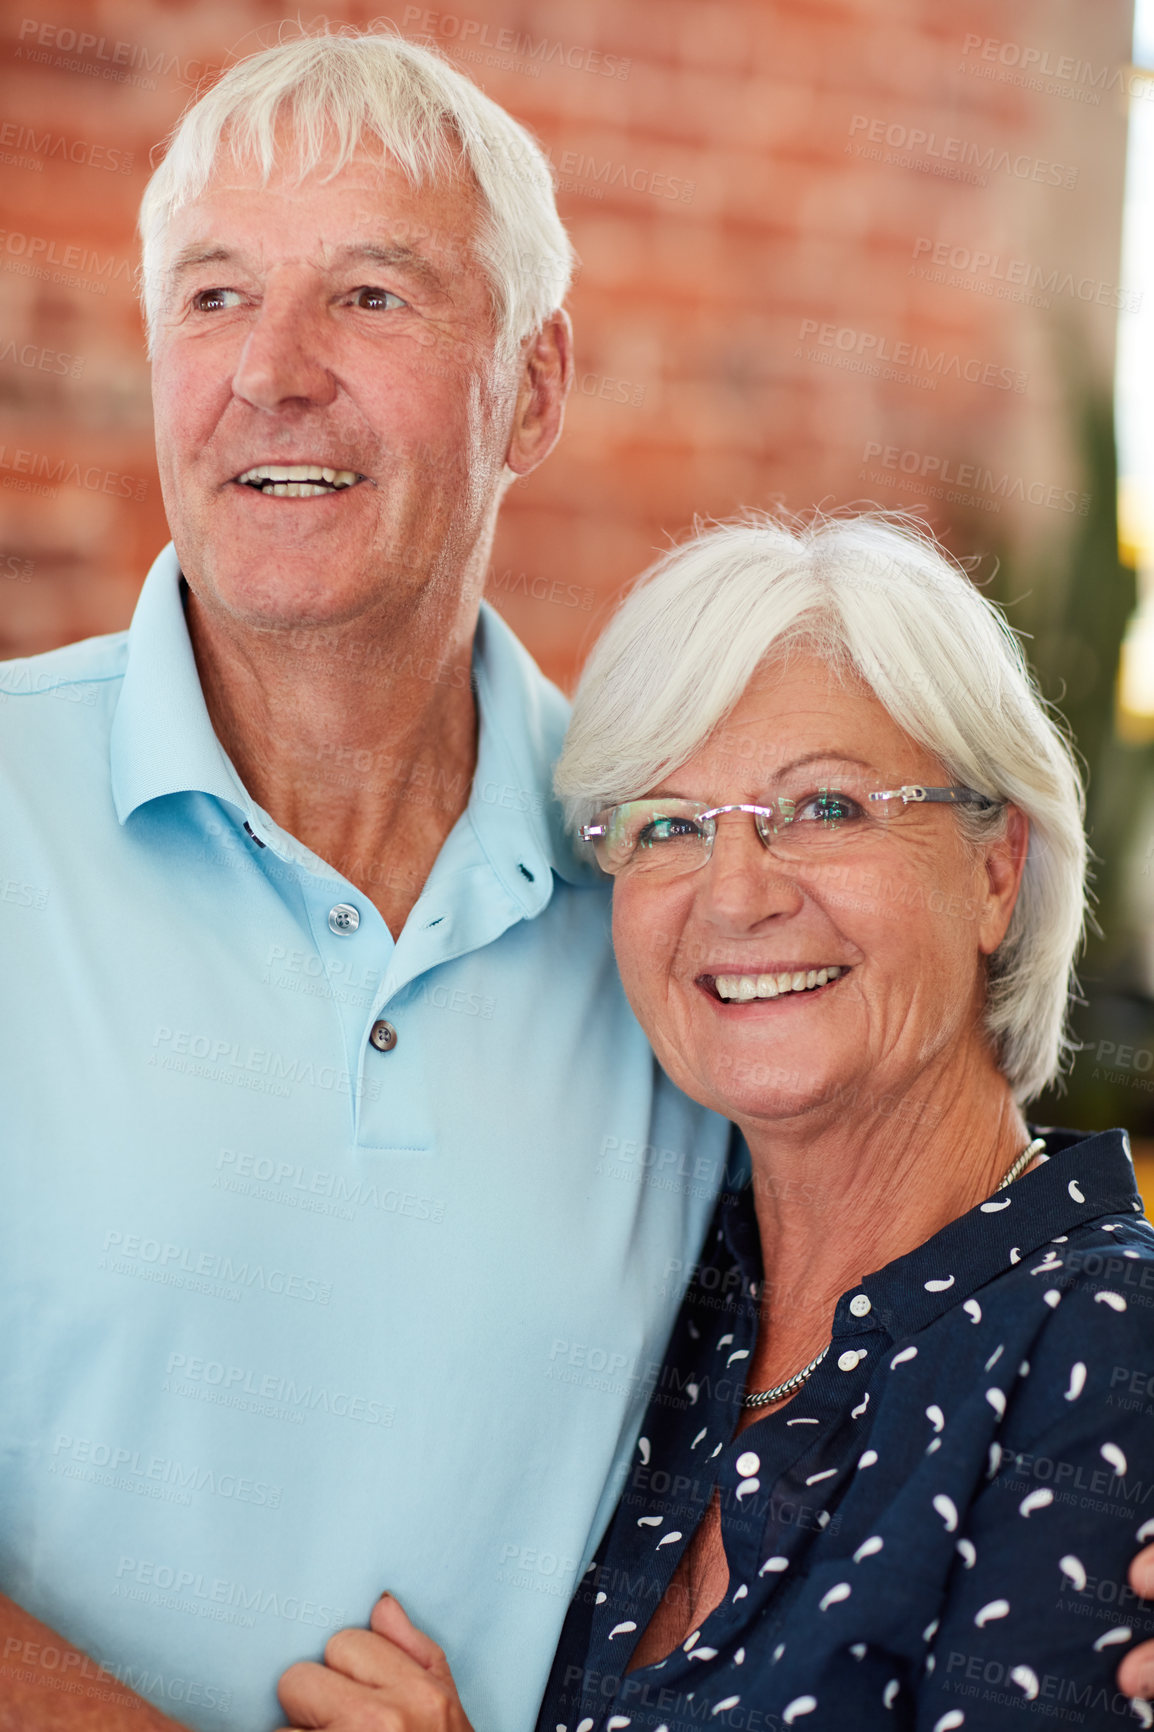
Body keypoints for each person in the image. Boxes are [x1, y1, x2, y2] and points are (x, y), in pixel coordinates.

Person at [0, 31, 732, 1732]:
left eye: (371, 297)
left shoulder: (672, 897)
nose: (271, 369)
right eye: (211, 295)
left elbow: (864, 1374)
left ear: (531, 388)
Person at [288, 514, 1154, 1731]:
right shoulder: (666, 1301)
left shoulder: (1104, 1347)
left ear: (995, 867)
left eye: (828, 808)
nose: (736, 892)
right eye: (668, 826)